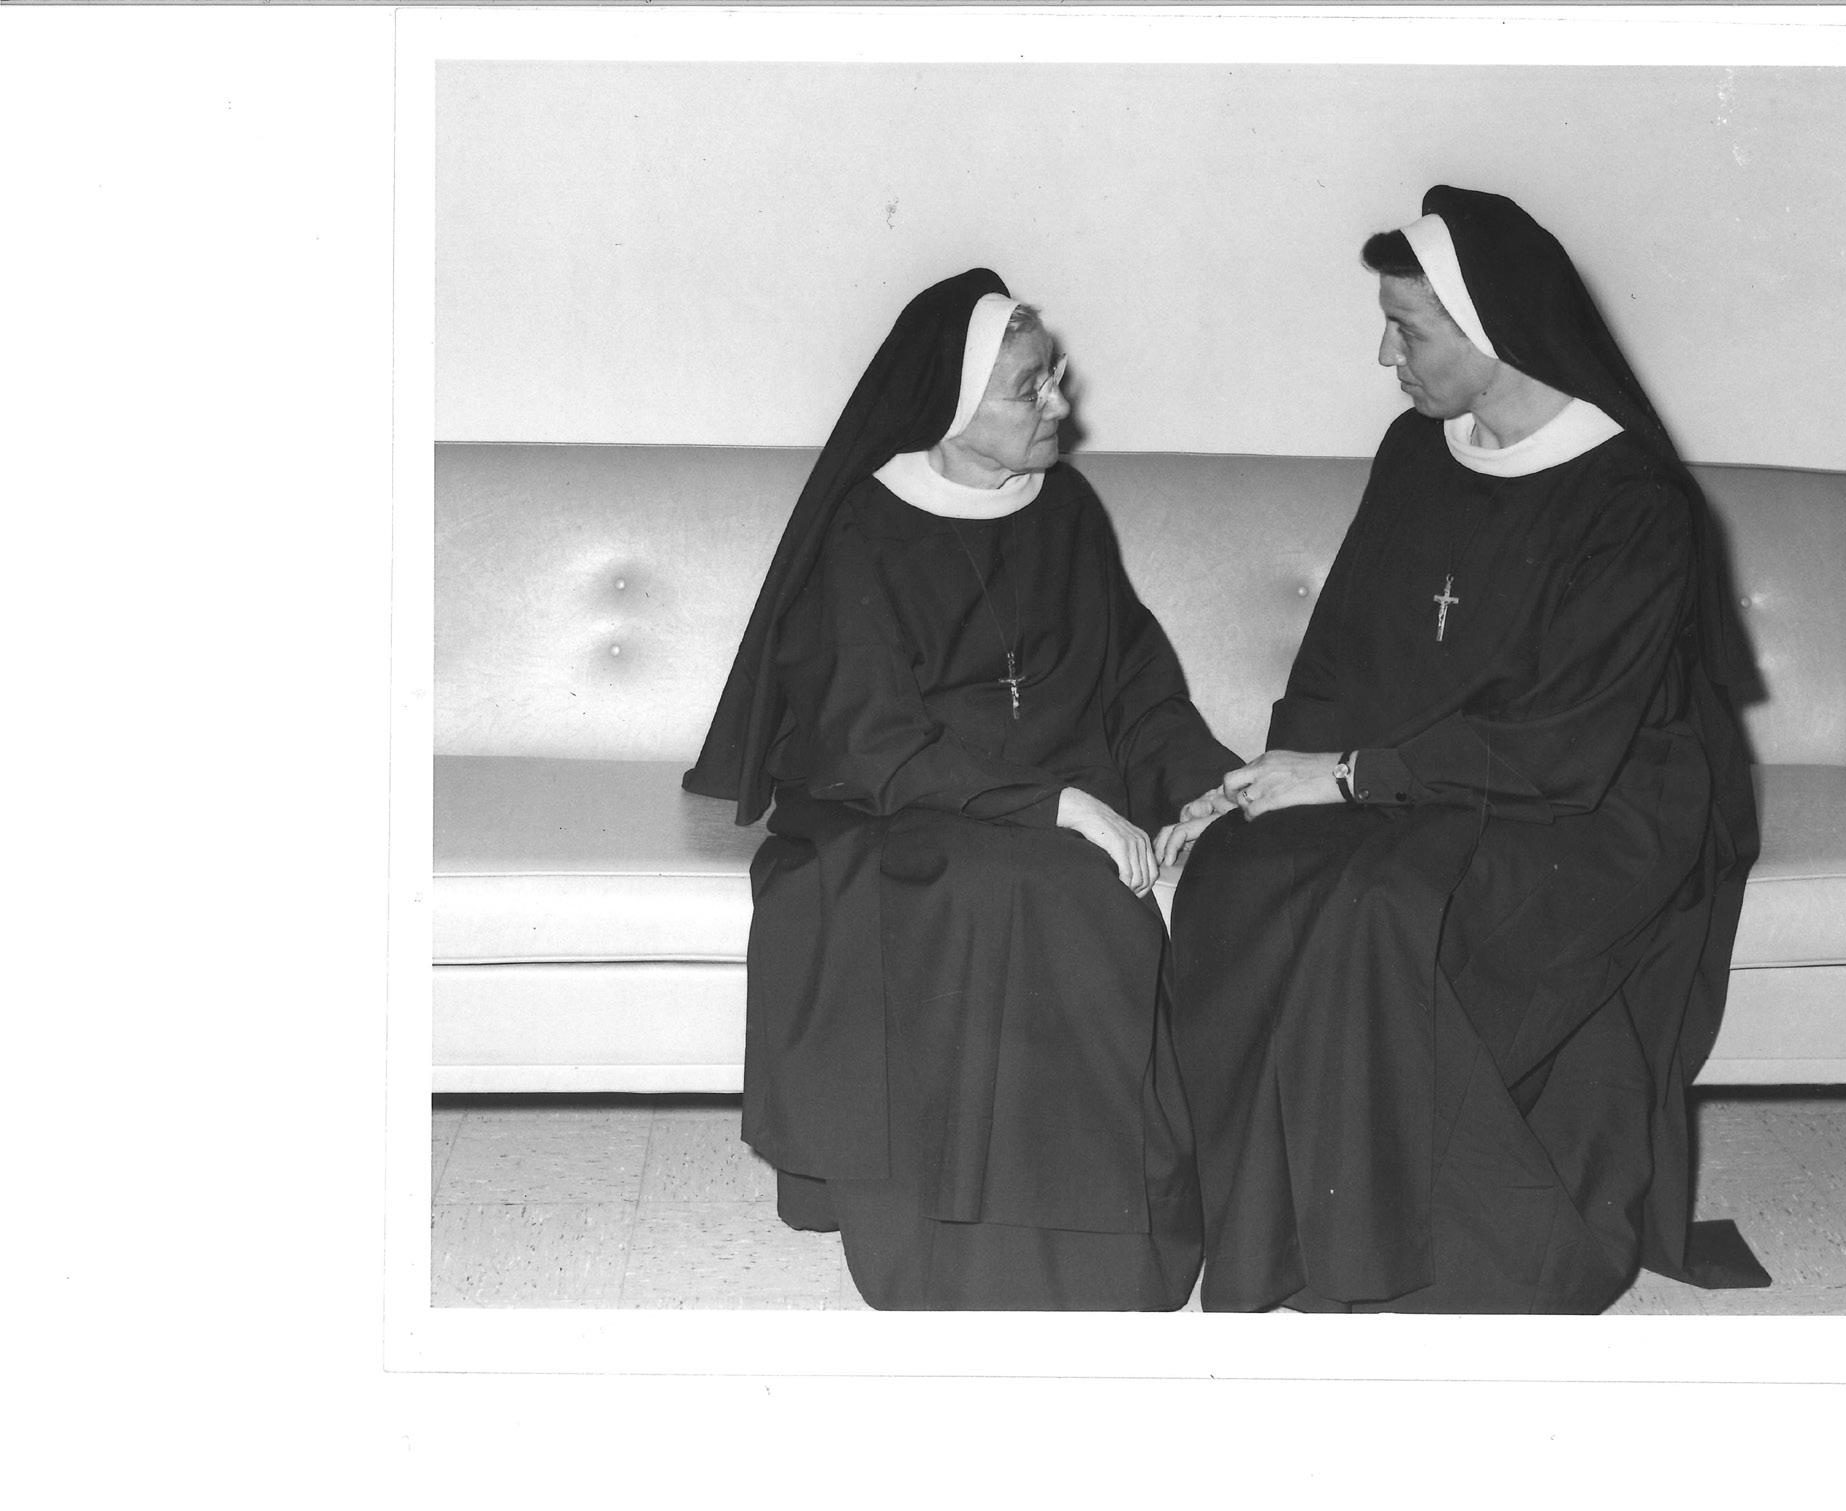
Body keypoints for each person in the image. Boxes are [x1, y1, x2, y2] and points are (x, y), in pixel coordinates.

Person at [1157, 187, 1766, 1313]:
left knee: (1382, 906)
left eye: (1407, 330)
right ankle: (1263, 1226)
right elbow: (1341, 652)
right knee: (1245, 870)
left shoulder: (1633, 500)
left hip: (1597, 803)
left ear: (1494, 331)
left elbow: (1571, 738)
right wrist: (1261, 782)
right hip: (1424, 779)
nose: (1384, 356)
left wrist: (1351, 779)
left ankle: (1383, 1246)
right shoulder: (1416, 450)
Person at [685, 269, 1238, 1310]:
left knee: (1081, 888)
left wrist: (1203, 790)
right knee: (1045, 890)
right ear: (949, 405)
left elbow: (1135, 687)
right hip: (897, 812)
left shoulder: (1065, 508)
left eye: (1053, 376)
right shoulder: (863, 526)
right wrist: (1055, 806)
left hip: (1055, 804)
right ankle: (971, 1256)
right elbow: (871, 738)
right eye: (1030, 388)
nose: (1060, 403)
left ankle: (1101, 1252)